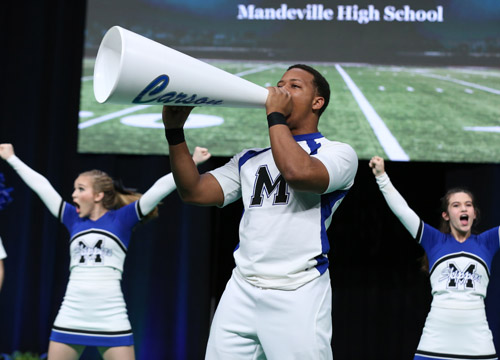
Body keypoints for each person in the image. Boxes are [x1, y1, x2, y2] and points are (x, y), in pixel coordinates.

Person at [162, 64, 358, 359]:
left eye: (294, 86)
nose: (281, 90)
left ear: (318, 103)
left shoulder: (338, 153)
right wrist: (174, 132)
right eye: (280, 84)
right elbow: (194, 192)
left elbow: (296, 172)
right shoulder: (249, 159)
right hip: (241, 286)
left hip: (297, 290)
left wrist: (275, 115)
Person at [0, 143, 210, 360]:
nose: (73, 195)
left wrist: (192, 162)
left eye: (80, 189)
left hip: (112, 317)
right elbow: (42, 186)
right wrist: (11, 158)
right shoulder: (72, 218)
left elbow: (158, 189)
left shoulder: (122, 219)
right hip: (71, 315)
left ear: (98, 195)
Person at [369, 156, 499, 360]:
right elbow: (403, 211)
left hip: (477, 343)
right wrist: (381, 177)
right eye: (456, 205)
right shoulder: (434, 241)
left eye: (468, 205)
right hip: (436, 340)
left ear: (474, 213)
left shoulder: (487, 242)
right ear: (446, 215)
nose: (464, 209)